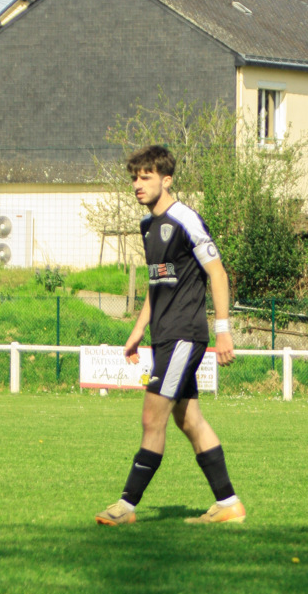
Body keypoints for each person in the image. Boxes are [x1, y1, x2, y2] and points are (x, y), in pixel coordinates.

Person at [96, 144, 245, 526]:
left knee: (152, 419)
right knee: (189, 420)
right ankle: (228, 503)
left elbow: (218, 273)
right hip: (164, 336)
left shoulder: (185, 219)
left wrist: (223, 332)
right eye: (134, 177)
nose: (137, 184)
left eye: (145, 177)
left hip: (184, 336)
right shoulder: (147, 226)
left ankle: (126, 506)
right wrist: (137, 330)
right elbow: (157, 283)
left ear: (167, 179)